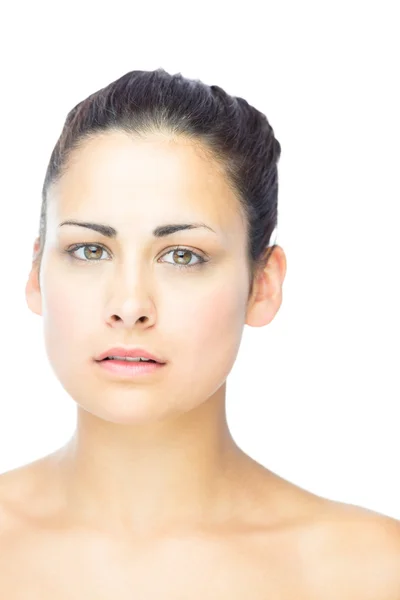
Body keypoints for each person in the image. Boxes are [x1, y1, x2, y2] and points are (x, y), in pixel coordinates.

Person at [0, 68, 399, 597]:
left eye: (183, 256)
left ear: (262, 285)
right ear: (36, 274)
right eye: (90, 250)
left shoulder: (369, 572)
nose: (129, 306)